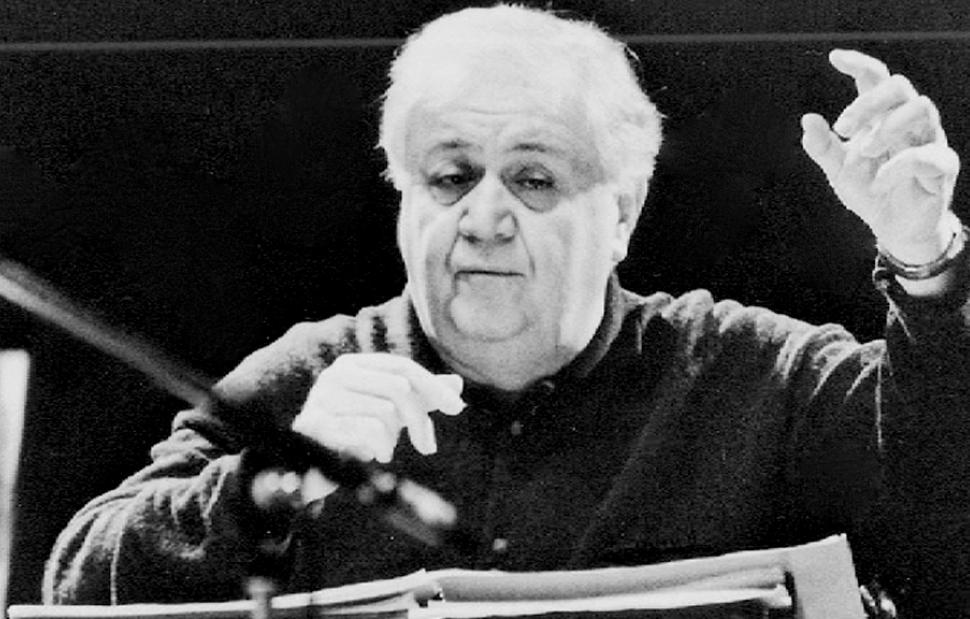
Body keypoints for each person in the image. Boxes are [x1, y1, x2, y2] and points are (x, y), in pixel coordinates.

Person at [42, 5, 970, 616]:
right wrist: (262, 486)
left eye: (533, 179)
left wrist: (925, 256)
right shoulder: (310, 380)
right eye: (450, 177)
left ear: (621, 214)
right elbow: (73, 582)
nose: (483, 218)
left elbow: (946, 502)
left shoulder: (756, 374)